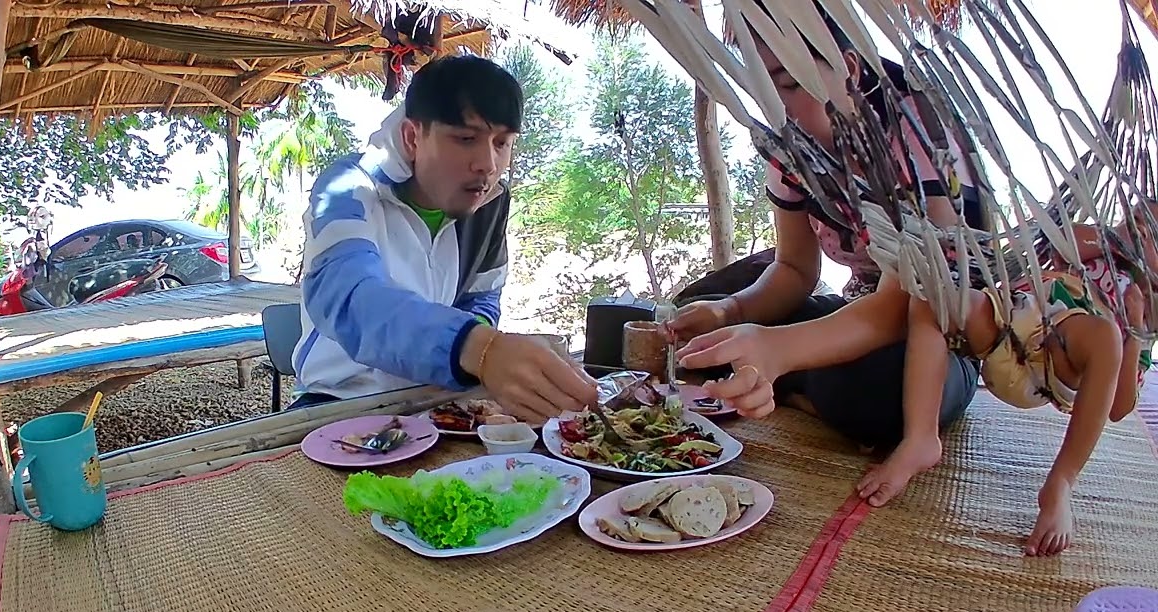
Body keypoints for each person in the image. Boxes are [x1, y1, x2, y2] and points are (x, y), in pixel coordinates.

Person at [667, 5, 985, 451]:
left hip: (935, 339)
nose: (777, 108)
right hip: (852, 315)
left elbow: (902, 306)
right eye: (760, 90)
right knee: (701, 325)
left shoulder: (919, 132)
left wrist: (780, 348)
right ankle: (783, 374)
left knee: (878, 391)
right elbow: (794, 269)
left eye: (788, 84)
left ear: (847, 68)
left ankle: (786, 379)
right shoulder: (792, 148)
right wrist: (729, 312)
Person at [291, 55, 597, 422]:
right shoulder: (347, 189)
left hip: (435, 399)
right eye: (466, 139)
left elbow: (482, 297)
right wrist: (478, 348)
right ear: (413, 137)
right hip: (336, 405)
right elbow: (349, 296)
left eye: (502, 143)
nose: (487, 164)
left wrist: (489, 351)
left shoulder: (488, 202)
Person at [875, 213, 1157, 555]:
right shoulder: (1101, 248)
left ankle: (1060, 483)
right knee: (932, 295)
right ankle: (920, 437)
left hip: (1055, 364)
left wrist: (1135, 332)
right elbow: (1060, 240)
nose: (1143, 232)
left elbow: (1119, 406)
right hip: (1012, 322)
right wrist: (1116, 238)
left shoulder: (1142, 314)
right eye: (1139, 220)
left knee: (1107, 336)